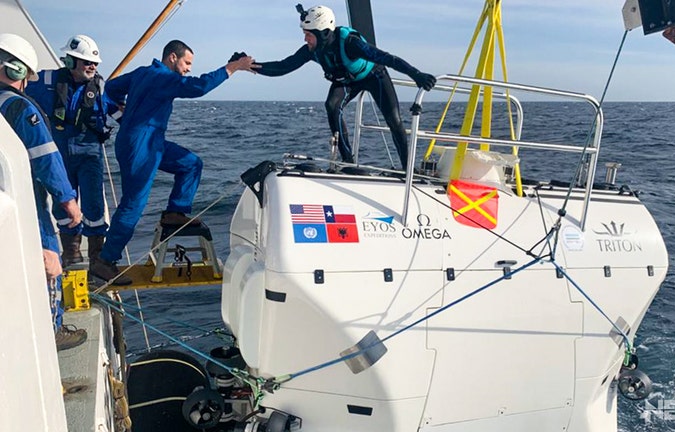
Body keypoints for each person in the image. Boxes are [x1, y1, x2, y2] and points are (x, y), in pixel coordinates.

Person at [89, 40, 254, 285]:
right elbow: (199, 86)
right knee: (133, 205)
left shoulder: (143, 72)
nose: (188, 68)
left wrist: (120, 111)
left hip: (147, 141)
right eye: (187, 63)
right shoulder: (163, 77)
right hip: (141, 145)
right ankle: (105, 262)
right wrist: (232, 67)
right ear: (172, 58)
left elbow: (111, 88)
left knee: (191, 164)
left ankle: (175, 213)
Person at [252, 4, 437, 168]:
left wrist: (417, 75)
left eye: (308, 35)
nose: (305, 40)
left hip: (374, 76)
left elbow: (388, 58)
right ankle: (347, 161)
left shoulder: (350, 43)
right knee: (331, 105)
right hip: (347, 82)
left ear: (323, 33)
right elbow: (284, 66)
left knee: (394, 120)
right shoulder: (312, 50)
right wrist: (250, 66)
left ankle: (408, 170)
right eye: (305, 34)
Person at [0, 33, 87, 350]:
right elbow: (47, 160)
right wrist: (69, 203)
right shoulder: (21, 110)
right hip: (24, 202)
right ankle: (52, 329)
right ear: (16, 72)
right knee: (50, 261)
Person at [26, 35, 117, 269]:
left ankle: (97, 258)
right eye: (87, 62)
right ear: (69, 62)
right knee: (62, 202)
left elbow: (117, 110)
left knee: (95, 204)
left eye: (94, 63)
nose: (92, 67)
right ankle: (71, 254)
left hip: (90, 153)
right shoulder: (46, 80)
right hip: (59, 152)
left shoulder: (100, 87)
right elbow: (20, 87)